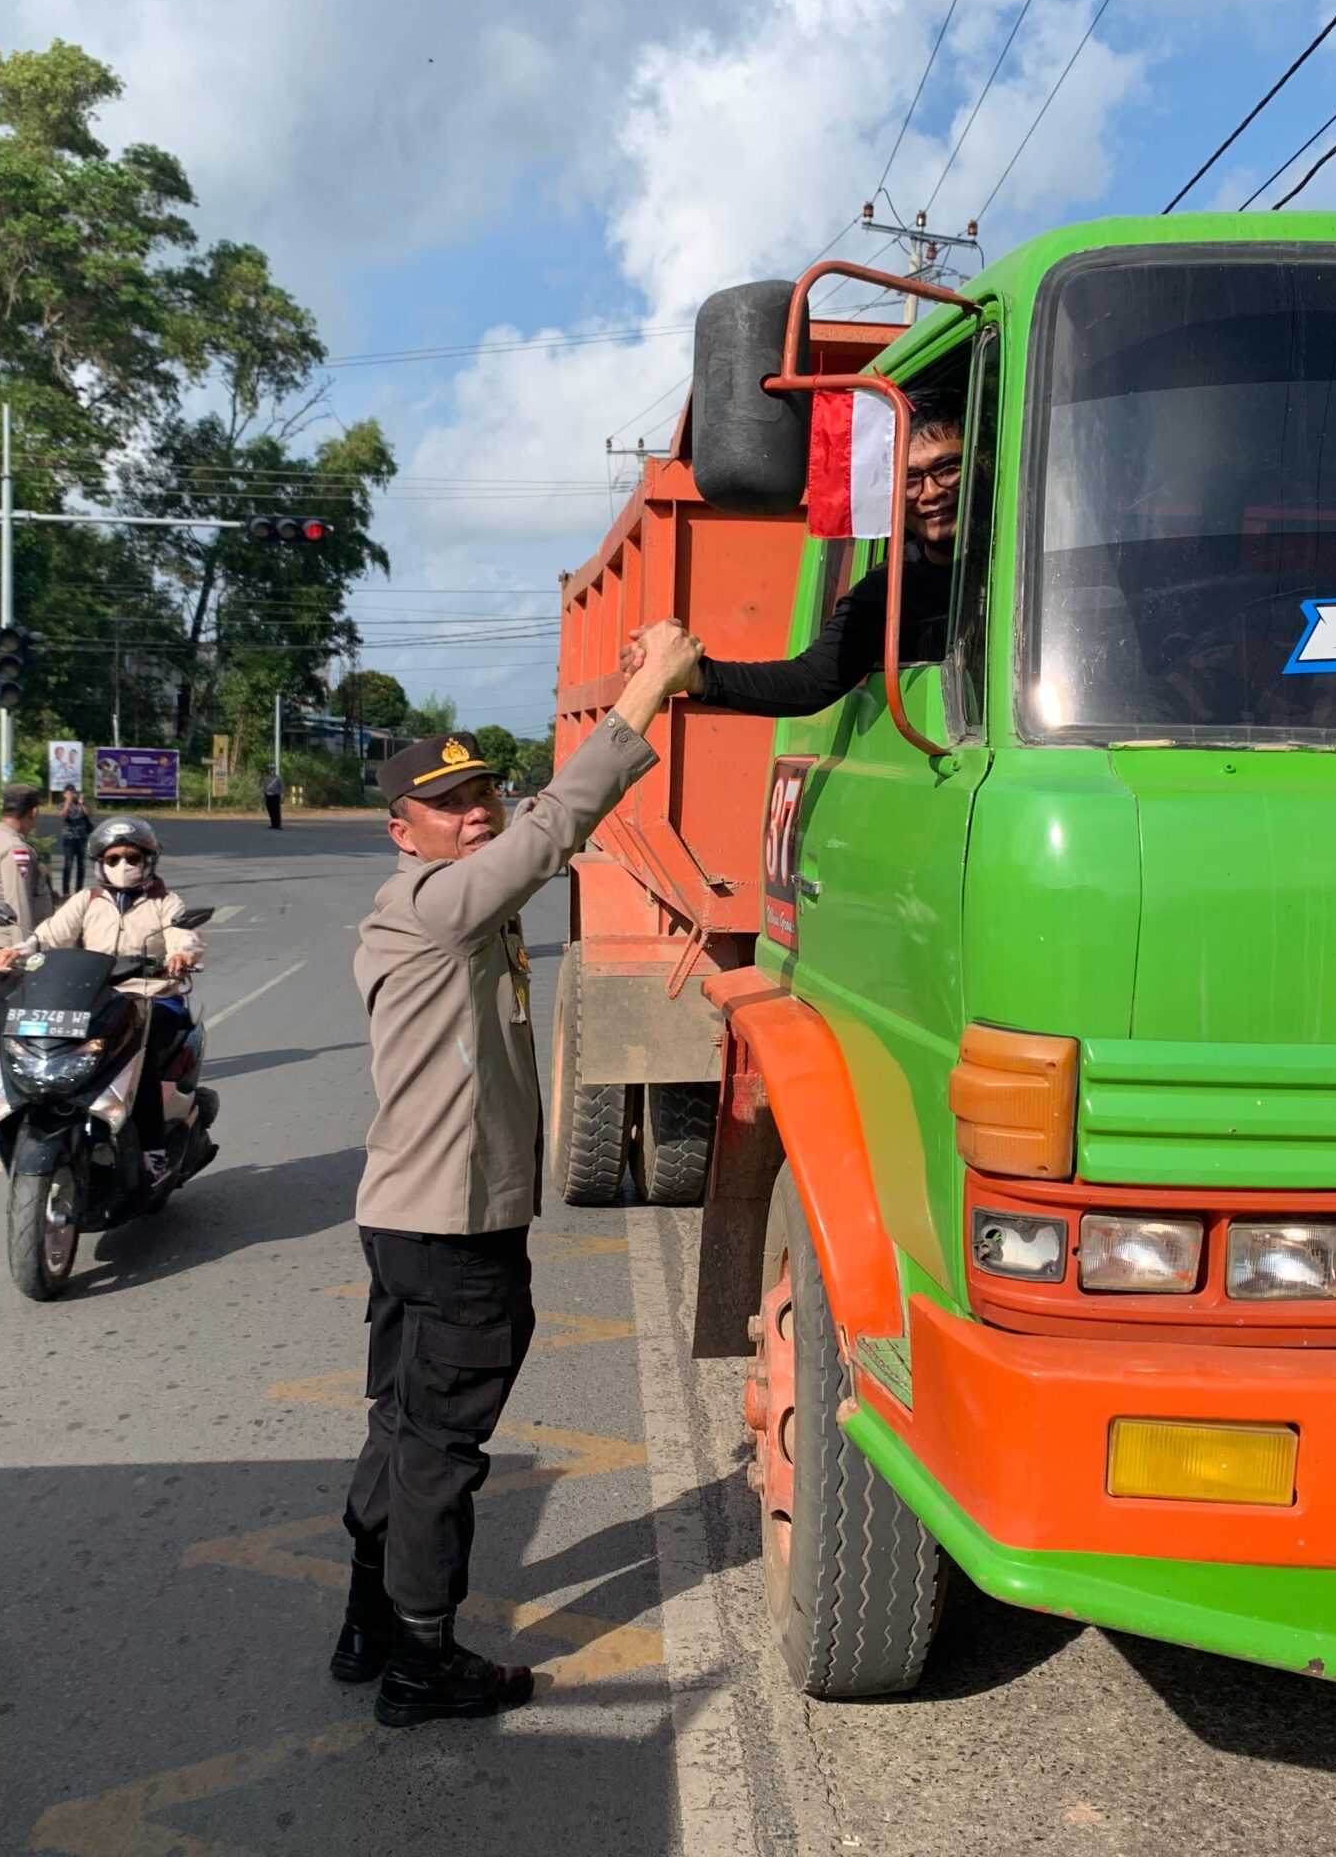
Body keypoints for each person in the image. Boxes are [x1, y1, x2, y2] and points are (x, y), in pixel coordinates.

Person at [334, 621, 702, 1727]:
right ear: (402, 832)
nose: (478, 810)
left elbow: (532, 832)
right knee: (443, 1447)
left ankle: (368, 1623)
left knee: (401, 1429)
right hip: (449, 1235)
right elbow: (553, 832)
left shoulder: (457, 905)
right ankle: (421, 1662)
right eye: (448, 804)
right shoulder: (432, 906)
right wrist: (642, 697)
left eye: (482, 790)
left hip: (411, 1221)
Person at [620, 398, 964, 717]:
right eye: (911, 479)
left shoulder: (1017, 568)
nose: (931, 493)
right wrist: (695, 675)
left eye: (947, 468)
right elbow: (811, 680)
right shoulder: (889, 589)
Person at [0, 817, 204, 1170]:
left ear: (147, 860)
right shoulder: (86, 901)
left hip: (151, 998)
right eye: (113, 858)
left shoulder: (165, 902)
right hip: (99, 998)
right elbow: (49, 935)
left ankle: (154, 1152)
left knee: (141, 1054)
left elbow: (184, 935)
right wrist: (20, 951)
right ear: (100, 863)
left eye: (132, 858)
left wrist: (181, 954)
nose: (123, 866)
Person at [0, 785, 53, 1052]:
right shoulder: (14, 849)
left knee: (8, 1016)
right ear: (33, 812)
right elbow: (17, 902)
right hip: (10, 946)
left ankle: (2, 1079)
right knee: (12, 1018)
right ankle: (3, 1082)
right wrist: (24, 954)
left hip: (3, 944)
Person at [56, 788, 94, 898]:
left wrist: (82, 803)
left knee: (82, 865)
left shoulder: (81, 805)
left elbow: (90, 814)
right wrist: (68, 801)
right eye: (70, 793)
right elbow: (63, 815)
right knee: (68, 864)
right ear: (64, 794)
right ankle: (65, 891)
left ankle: (79, 889)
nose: (73, 795)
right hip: (69, 838)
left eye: (74, 793)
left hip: (82, 837)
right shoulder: (62, 804)